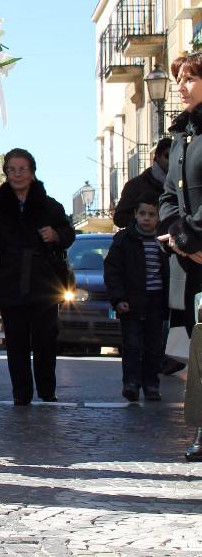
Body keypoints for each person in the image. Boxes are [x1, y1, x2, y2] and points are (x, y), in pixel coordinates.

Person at [0, 148, 75, 406]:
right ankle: (21, 393)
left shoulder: (50, 206)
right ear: (6, 173)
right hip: (11, 279)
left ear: (32, 172)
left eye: (22, 169)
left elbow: (68, 235)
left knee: (45, 340)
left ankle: (47, 390)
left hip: (43, 282)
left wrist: (56, 235)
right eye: (12, 170)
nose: (17, 175)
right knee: (15, 342)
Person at [157, 52, 202, 461]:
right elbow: (170, 196)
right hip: (189, 261)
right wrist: (183, 237)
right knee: (198, 345)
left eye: (189, 78)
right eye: (179, 80)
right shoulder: (182, 137)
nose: (181, 86)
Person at [104, 196, 169, 402]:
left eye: (151, 214)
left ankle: (151, 384)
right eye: (142, 214)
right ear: (135, 214)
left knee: (154, 346)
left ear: (158, 217)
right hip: (131, 301)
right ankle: (131, 383)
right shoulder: (124, 240)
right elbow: (112, 271)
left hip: (156, 301)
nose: (146, 219)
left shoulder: (164, 241)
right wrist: (118, 298)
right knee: (132, 345)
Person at [113, 138, 172, 229]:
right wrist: (145, 221)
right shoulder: (135, 185)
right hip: (143, 240)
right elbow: (119, 218)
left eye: (174, 156)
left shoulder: (182, 183)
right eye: (167, 156)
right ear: (157, 156)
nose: (171, 161)